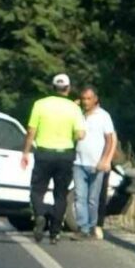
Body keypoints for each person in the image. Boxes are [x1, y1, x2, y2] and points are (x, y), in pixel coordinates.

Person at [21, 73, 86, 244]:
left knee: (37, 190)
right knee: (60, 194)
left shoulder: (40, 105)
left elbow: (31, 131)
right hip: (65, 154)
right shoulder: (74, 108)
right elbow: (80, 134)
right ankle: (55, 232)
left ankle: (40, 214)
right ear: (68, 88)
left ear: (52, 87)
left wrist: (26, 153)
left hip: (44, 153)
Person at [73, 87, 117, 240]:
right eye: (83, 98)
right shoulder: (79, 115)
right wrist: (74, 105)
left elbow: (110, 140)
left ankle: (93, 226)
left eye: (88, 98)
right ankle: (82, 228)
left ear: (95, 99)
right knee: (79, 197)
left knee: (93, 199)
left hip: (96, 164)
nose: (85, 102)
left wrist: (105, 160)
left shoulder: (103, 116)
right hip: (79, 162)